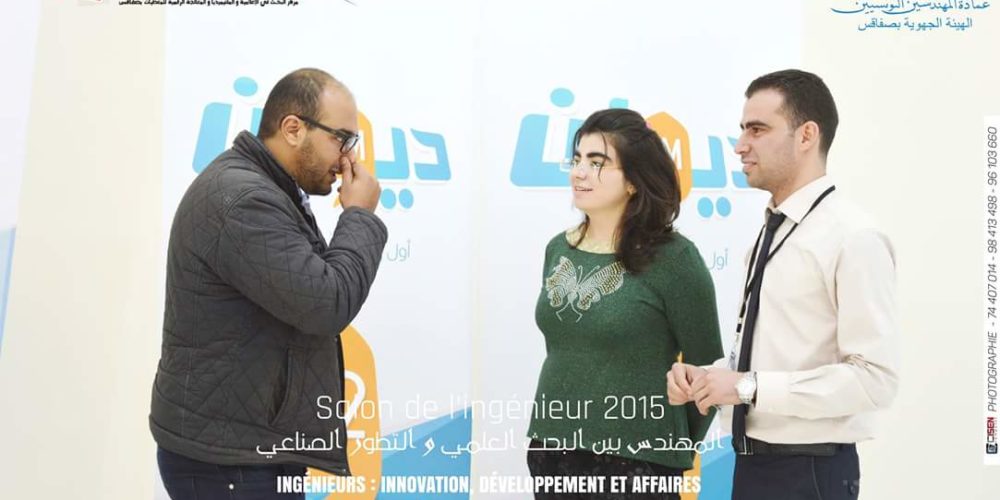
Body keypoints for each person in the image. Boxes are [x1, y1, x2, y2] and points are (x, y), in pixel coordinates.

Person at [150, 67, 386, 499]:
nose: (348, 159)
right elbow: (327, 303)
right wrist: (359, 216)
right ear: (293, 128)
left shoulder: (265, 189)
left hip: (241, 448)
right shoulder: (246, 200)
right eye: (342, 139)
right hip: (231, 461)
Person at [667, 69, 899, 500]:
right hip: (753, 464)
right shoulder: (772, 230)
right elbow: (773, 354)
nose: (740, 145)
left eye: (757, 130)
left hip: (810, 470)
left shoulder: (853, 237)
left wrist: (747, 387)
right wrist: (711, 378)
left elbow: (874, 379)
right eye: (742, 129)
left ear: (806, 135)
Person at [527, 108, 724, 499]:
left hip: (637, 462)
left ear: (634, 180)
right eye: (577, 159)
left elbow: (708, 369)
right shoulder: (559, 249)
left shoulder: (675, 259)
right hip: (551, 447)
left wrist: (669, 448)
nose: (579, 172)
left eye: (597, 162)